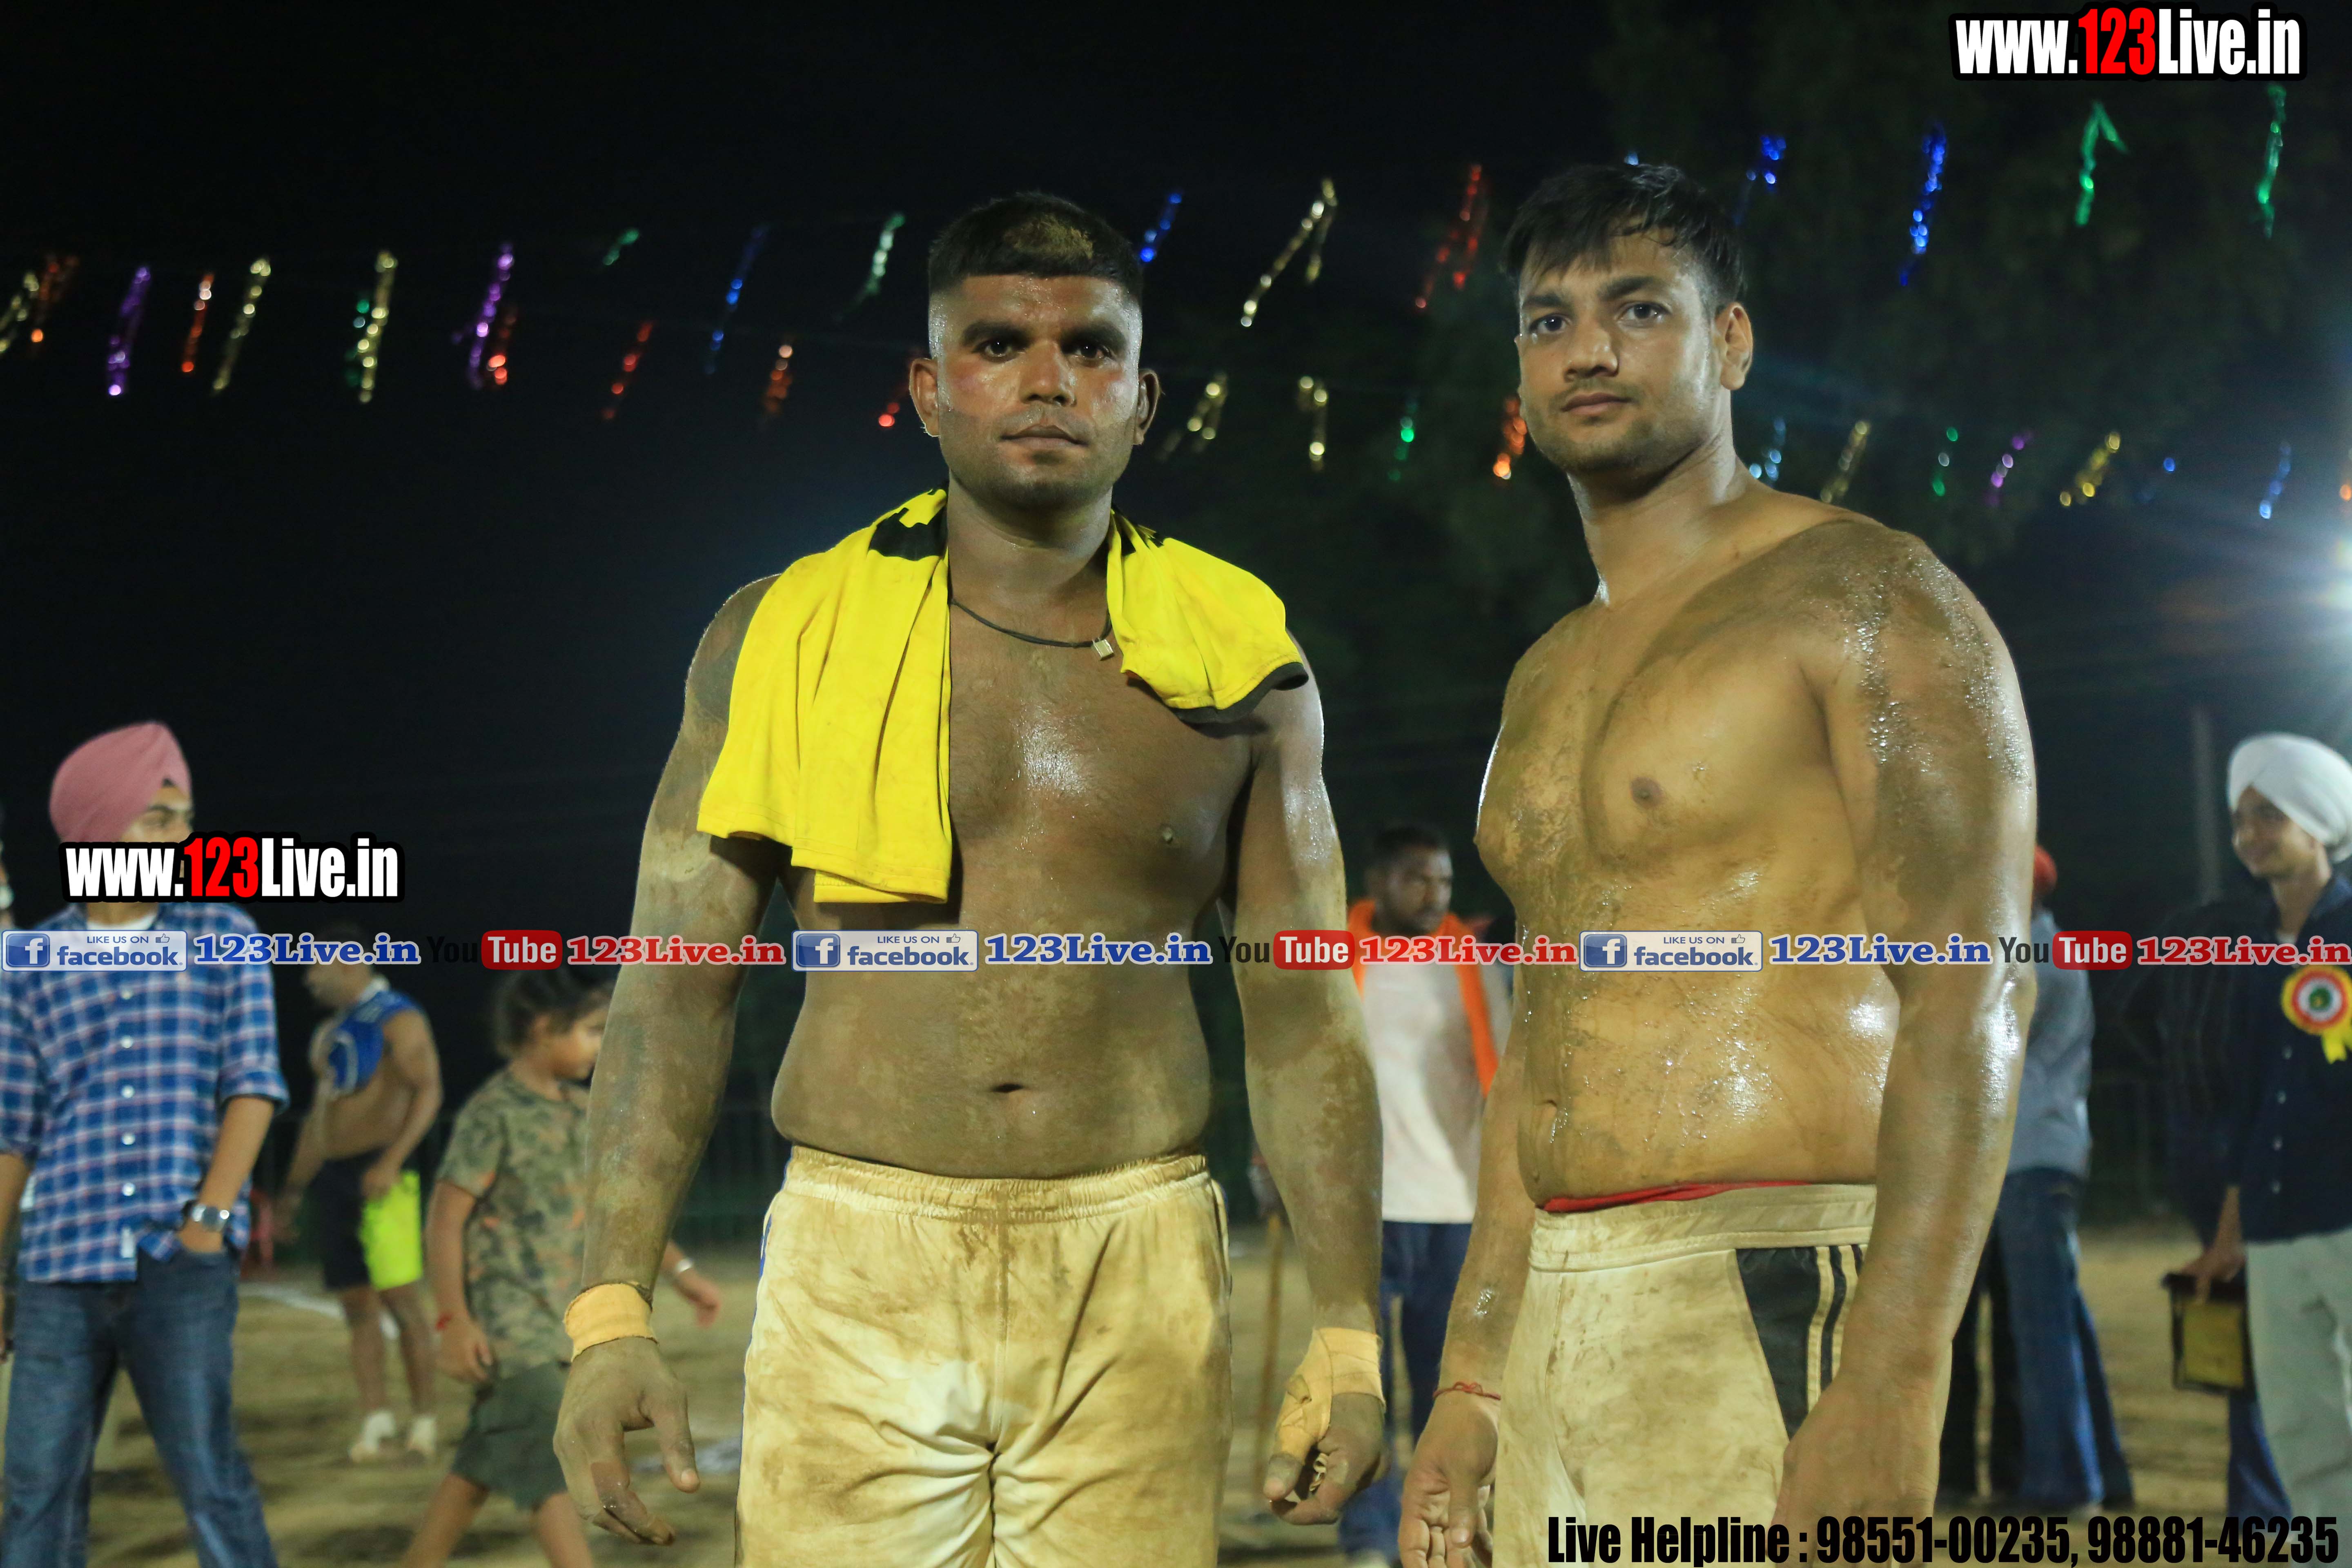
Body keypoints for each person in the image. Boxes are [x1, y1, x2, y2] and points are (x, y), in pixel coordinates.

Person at [554, 192, 1385, 1566]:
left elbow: (1304, 1014)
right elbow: (673, 988)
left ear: (1143, 400)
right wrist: (608, 1312)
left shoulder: (1244, 659)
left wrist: (1348, 1334)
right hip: (856, 1252)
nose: (1049, 379)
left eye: (1091, 349)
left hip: (1138, 1257)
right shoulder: (776, 634)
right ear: (929, 391)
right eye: (1000, 344)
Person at [1398, 163, 2038, 1565]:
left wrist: (1893, 1379)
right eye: (1549, 319)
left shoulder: (1867, 595)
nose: (1588, 349)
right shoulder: (1546, 674)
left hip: (1779, 1275)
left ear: (1731, 341)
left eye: (1639, 309)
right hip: (1562, 1297)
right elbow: (1540, 1036)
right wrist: (1473, 1377)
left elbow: (1972, 995)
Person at [0, 722, 285, 1567]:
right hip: (58, 1267)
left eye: (185, 819)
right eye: (159, 818)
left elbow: (253, 1085)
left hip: (178, 1259)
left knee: (210, 1481)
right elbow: (13, 1130)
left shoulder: (224, 933)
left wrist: (208, 1223)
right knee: (36, 1489)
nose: (182, 837)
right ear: (94, 828)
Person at [400, 968, 719, 1568]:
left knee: (477, 1471)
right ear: (545, 1028)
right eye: (592, 1031)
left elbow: (617, 1212)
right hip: (512, 1334)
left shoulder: (582, 1112)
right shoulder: (494, 1113)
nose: (601, 1046)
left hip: (565, 1330)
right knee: (551, 1463)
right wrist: (454, 1322)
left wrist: (685, 1275)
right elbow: (444, 1221)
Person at [2180, 733, 2352, 1521]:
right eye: (2240, 819)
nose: (2250, 835)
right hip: (2277, 1227)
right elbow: (2251, 1100)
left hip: (2347, 1217)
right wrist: (2230, 1235)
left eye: (2269, 816)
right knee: (2300, 1434)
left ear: (2318, 821)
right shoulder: (2252, 951)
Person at [1338, 822, 1510, 1568]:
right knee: (1362, 1389)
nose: (1434, 894)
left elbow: (1504, 1074)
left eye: (1443, 880)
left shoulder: (1475, 963)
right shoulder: (1332, 959)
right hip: (1363, 1208)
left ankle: (1443, 1527)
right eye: (1417, 879)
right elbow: (1302, 1068)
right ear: (1378, 883)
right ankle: (1369, 1534)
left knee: (1449, 1387)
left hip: (1456, 1205)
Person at [2117, 855, 2292, 1520]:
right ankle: (2273, 1501)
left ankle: (2259, 1500)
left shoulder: (2185, 927)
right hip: (2261, 1130)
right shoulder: (2287, 935)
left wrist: (2169, 1070)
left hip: (2192, 1133)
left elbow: (2127, 1012)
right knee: (2282, 1315)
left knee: (2240, 1302)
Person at [1993, 847, 2130, 1510]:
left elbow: (1988, 1036)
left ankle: (2063, 1483)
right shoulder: (2050, 950)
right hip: (2048, 1150)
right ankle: (2103, 1473)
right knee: (2062, 1318)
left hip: (2031, 1154)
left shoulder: (2032, 957)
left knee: (2041, 1327)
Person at [275, 922, 444, 1461]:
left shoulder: (400, 1017)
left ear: (349, 960)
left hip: (383, 1173)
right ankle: (377, 1420)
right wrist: (293, 1190)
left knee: (401, 1299)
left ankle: (425, 1422)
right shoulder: (328, 1033)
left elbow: (429, 1090)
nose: (308, 978)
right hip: (334, 1177)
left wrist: (392, 1161)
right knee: (355, 1303)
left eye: (315, 964)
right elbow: (318, 1119)